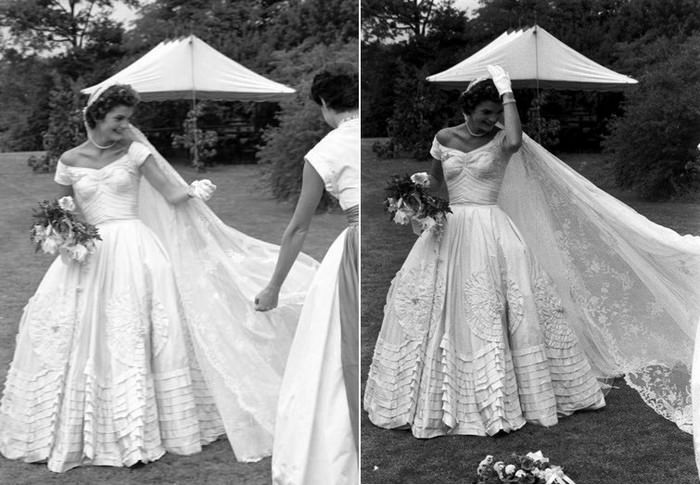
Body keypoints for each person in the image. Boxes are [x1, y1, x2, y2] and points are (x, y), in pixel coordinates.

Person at [366, 66, 700, 443]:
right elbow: (439, 181)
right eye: (485, 113)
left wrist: (508, 93)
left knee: (494, 306)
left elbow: (514, 140)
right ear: (467, 110)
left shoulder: (503, 140)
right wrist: (417, 192)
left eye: (496, 113)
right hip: (451, 227)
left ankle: (504, 393)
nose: (491, 120)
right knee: (432, 303)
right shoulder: (443, 137)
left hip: (491, 229)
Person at [0, 84, 319, 472]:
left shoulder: (135, 151)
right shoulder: (68, 159)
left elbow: (171, 193)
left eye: (128, 119)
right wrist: (63, 234)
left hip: (135, 249)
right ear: (96, 116)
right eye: (118, 118)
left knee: (135, 329)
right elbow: (64, 208)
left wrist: (195, 191)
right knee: (76, 329)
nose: (125, 126)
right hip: (88, 253)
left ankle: (145, 425)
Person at [254, 63, 359, 485]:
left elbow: (299, 226)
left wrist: (274, 286)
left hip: (352, 249)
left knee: (332, 351)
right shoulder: (365, 140)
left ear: (323, 104)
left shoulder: (324, 152)